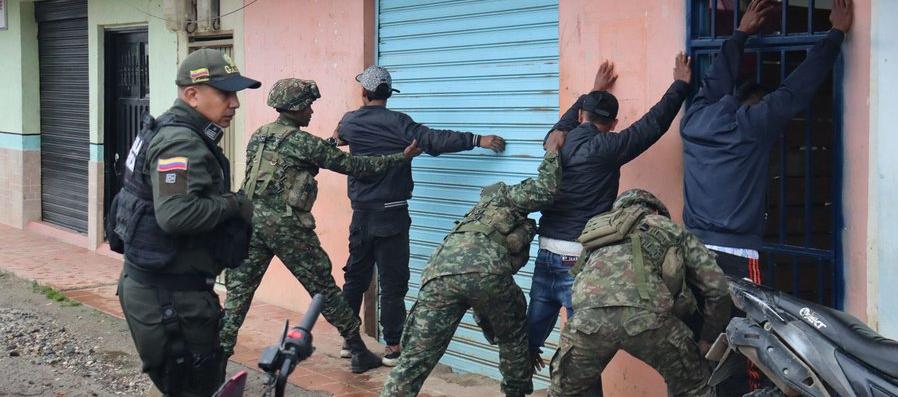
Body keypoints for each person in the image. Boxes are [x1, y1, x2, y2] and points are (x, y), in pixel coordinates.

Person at [679, 0, 853, 393]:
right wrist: (835, 35)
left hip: (688, 250)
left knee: (697, 344)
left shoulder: (694, 121)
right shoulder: (751, 126)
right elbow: (796, 90)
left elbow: (713, 84)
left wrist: (740, 32)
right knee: (751, 346)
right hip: (736, 257)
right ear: (752, 105)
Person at [219, 78, 422, 374]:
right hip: (285, 226)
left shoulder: (260, 135)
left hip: (249, 223)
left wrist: (328, 143)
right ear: (297, 108)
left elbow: (296, 158)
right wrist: (400, 157)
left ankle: (215, 361)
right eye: (309, 107)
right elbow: (357, 167)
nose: (312, 112)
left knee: (237, 296)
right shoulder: (303, 142)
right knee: (323, 288)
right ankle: (357, 349)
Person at [528, 53, 693, 376]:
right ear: (613, 124)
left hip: (545, 253)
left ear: (581, 116)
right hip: (579, 262)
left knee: (529, 340)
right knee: (582, 357)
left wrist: (590, 93)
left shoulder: (556, 140)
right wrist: (680, 85)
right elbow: (653, 124)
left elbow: (566, 123)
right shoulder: (608, 147)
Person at [332, 65, 507, 365]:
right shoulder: (400, 124)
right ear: (388, 94)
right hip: (393, 215)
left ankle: (349, 341)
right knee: (392, 283)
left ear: (364, 92)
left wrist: (342, 136)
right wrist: (478, 139)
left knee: (355, 279)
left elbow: (336, 141)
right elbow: (435, 140)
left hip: (361, 216)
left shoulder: (350, 121)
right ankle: (393, 347)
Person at [113, 48, 260, 396]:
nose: (235, 104)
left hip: (163, 288)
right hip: (169, 298)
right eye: (225, 93)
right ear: (192, 95)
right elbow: (176, 214)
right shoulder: (179, 143)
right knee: (194, 387)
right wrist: (234, 204)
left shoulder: (175, 131)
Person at [380, 131, 567, 397]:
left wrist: (494, 328)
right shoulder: (509, 196)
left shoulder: (473, 218)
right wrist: (553, 153)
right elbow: (547, 189)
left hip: (438, 276)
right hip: (487, 277)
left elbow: (477, 296)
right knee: (513, 341)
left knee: (414, 360)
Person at [548, 189, 731, 397]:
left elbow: (579, 278)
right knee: (695, 388)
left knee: (564, 391)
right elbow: (717, 288)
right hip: (648, 320)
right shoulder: (670, 228)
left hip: (587, 322)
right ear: (655, 210)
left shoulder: (597, 230)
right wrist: (709, 337)